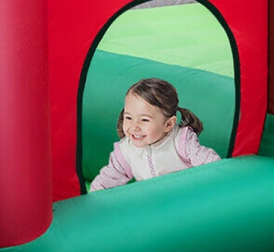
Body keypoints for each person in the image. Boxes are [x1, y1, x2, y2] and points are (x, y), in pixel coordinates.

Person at [91, 77, 221, 190]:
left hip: (185, 198)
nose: (134, 126)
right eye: (129, 118)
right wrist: (93, 199)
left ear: (169, 124)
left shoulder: (181, 141)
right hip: (152, 204)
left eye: (144, 120)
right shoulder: (126, 149)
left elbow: (209, 163)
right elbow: (108, 178)